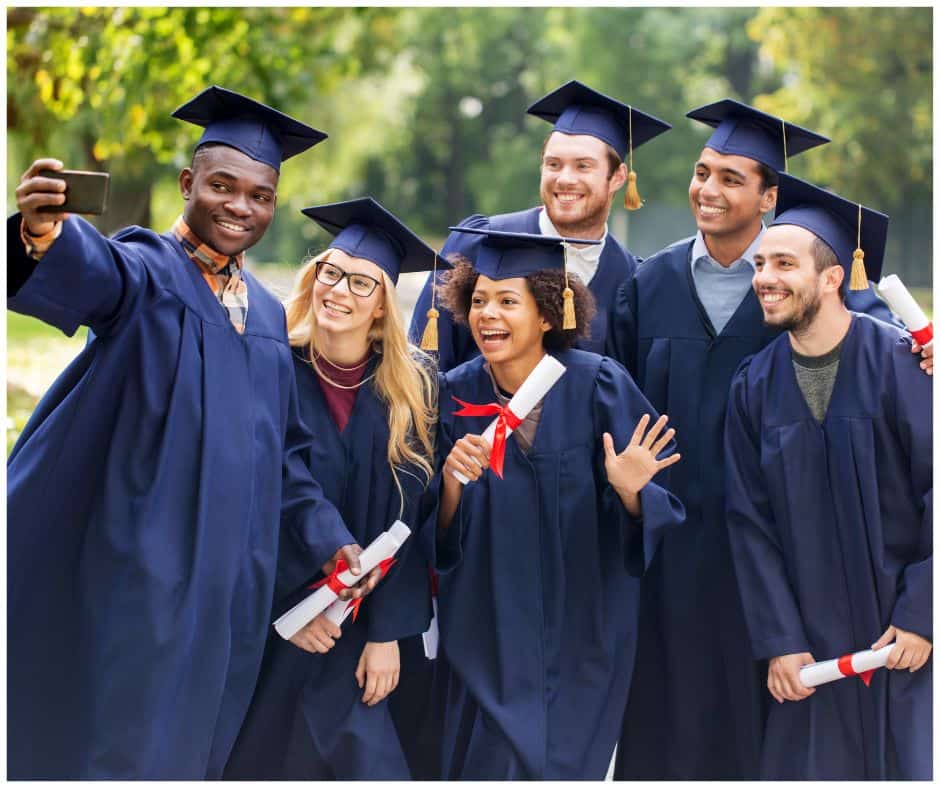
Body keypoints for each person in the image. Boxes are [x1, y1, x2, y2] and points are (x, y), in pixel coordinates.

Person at [6, 86, 376, 780]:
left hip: (226, 595)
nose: (241, 206)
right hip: (142, 581)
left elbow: (287, 458)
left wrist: (330, 538)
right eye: (222, 187)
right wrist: (43, 234)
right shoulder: (148, 271)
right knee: (124, 744)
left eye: (260, 195)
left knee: (197, 752)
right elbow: (98, 273)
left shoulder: (265, 317)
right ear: (188, 184)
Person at [608, 99, 930, 781]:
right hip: (682, 553)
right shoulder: (649, 284)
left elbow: (876, 347)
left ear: (768, 198)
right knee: (679, 722)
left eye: (732, 177)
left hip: (816, 566)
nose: (708, 189)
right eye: (702, 172)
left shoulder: (853, 324)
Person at [427, 227, 685, 779]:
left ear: (547, 313)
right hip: (484, 635)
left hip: (580, 637)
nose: (488, 314)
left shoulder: (599, 386)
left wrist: (629, 488)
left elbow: (652, 517)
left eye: (507, 301)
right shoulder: (451, 394)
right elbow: (435, 537)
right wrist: (451, 482)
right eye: (478, 300)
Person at [223, 198, 442, 779]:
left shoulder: (414, 390)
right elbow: (247, 502)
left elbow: (414, 522)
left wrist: (389, 632)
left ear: (381, 308)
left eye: (362, 282)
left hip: (367, 632)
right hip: (278, 620)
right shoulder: (270, 368)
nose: (339, 290)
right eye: (331, 271)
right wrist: (291, 605)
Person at [724, 173, 932, 779]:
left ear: (832, 277)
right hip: (809, 655)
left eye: (784, 264)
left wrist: (924, 612)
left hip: (900, 638)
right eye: (761, 263)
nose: (764, 277)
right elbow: (749, 525)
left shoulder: (904, 365)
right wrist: (779, 640)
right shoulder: (753, 387)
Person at [410, 79, 671, 368]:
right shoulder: (481, 242)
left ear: (619, 178)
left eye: (583, 166)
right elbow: (426, 363)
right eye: (554, 164)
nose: (565, 179)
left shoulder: (633, 279)